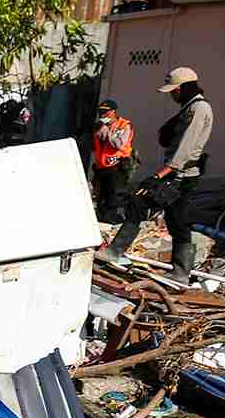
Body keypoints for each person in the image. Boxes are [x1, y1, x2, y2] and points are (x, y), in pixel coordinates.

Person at [97, 67, 213, 279]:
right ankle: (180, 272)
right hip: (179, 174)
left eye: (174, 90)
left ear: (185, 88)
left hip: (179, 176)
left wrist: (159, 175)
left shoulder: (199, 109)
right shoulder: (189, 107)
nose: (172, 94)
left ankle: (115, 251)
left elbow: (185, 149)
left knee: (139, 201)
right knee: (177, 221)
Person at [91, 99, 136, 222]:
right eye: (101, 112)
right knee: (101, 197)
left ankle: (115, 219)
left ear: (113, 112)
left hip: (118, 165)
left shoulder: (124, 125)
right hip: (101, 166)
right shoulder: (99, 126)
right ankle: (102, 219)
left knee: (115, 197)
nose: (102, 115)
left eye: (106, 112)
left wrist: (106, 130)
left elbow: (119, 144)